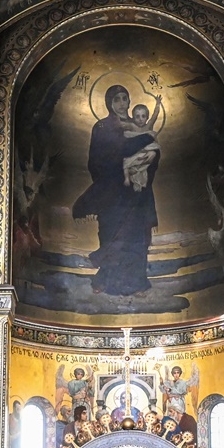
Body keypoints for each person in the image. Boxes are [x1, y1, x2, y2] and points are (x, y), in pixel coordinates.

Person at [72, 85, 160, 296]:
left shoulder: (137, 123)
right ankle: (106, 280)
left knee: (136, 238)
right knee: (111, 236)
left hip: (136, 194)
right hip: (111, 193)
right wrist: (142, 142)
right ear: (109, 103)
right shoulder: (101, 127)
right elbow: (96, 160)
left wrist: (146, 160)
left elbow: (154, 154)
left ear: (129, 101)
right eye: (117, 99)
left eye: (124, 98)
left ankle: (136, 284)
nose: (122, 103)